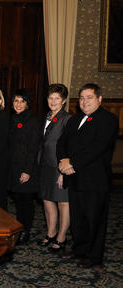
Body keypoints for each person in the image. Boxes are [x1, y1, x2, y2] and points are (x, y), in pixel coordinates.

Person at [57, 83, 118, 268]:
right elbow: (62, 142)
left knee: (95, 219)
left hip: (95, 179)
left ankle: (94, 255)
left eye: (89, 97)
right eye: (82, 98)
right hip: (74, 177)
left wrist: (71, 163)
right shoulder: (75, 119)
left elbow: (97, 148)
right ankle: (80, 249)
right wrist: (63, 160)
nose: (84, 101)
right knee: (78, 217)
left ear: (99, 99)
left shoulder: (109, 119)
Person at [37, 84, 71, 252]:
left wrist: (63, 172)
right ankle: (51, 233)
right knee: (47, 201)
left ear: (64, 101)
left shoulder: (67, 119)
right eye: (50, 97)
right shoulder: (47, 116)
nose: (53, 101)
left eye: (57, 98)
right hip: (45, 167)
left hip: (59, 168)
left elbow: (69, 147)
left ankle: (62, 237)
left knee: (63, 203)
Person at [8, 88, 41, 245]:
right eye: (16, 100)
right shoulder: (13, 118)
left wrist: (27, 171)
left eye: (22, 101)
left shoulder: (32, 121)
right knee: (19, 201)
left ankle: (25, 231)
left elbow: (33, 148)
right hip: (14, 168)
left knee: (26, 202)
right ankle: (20, 229)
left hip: (26, 169)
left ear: (27, 104)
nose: (18, 104)